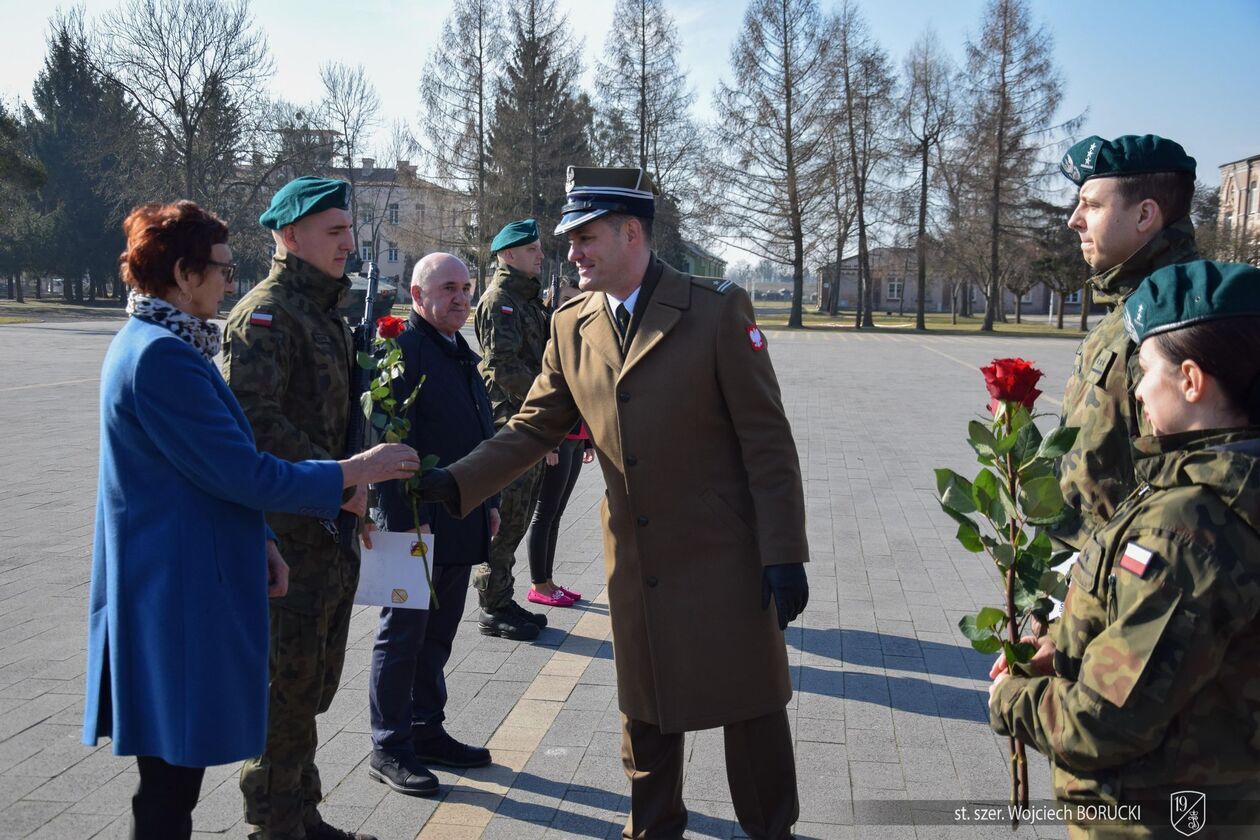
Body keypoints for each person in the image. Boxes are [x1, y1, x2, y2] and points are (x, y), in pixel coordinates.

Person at [418, 167, 810, 840]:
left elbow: (768, 445)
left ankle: (771, 829)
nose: (571, 254)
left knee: (750, 715)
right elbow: (534, 427)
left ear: (633, 233)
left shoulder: (714, 310)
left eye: (585, 238)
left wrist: (784, 554)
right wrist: (455, 483)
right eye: (568, 241)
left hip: (726, 557)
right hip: (637, 558)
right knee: (646, 713)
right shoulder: (572, 323)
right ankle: (652, 830)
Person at [82, 200, 419, 840]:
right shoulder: (161, 357)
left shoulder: (163, 343)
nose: (229, 283)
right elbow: (244, 471)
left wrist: (263, 536)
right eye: (220, 269)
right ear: (183, 273)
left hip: (181, 577)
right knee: (169, 784)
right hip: (174, 591)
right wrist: (352, 472)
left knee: (173, 776)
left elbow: (207, 469)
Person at [989, 260, 1260, 839]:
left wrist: (1011, 697)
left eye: (1146, 371)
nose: (1135, 390)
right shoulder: (1228, 479)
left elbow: (1102, 722)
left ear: (1191, 380)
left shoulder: (1186, 531)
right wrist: (1062, 646)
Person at [222, 176, 378, 840]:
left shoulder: (322, 311)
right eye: (334, 231)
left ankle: (302, 811)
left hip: (327, 531)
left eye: (349, 230)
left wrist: (354, 487)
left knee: (311, 684)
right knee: (285, 690)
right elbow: (254, 425)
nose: (349, 243)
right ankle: (274, 823)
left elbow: (339, 417)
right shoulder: (267, 314)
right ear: (290, 237)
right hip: (287, 536)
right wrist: (343, 479)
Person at [366, 253, 499, 796]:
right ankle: (389, 744)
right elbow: (384, 439)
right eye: (448, 288)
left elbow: (478, 430)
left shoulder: (457, 348)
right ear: (418, 297)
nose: (462, 297)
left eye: (467, 287)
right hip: (410, 519)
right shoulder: (400, 348)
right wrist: (399, 522)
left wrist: (489, 498)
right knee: (402, 635)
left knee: (437, 635)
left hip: (458, 515)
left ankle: (426, 729)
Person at [1051, 135, 1199, 552]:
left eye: (1092, 205)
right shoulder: (1130, 307)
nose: (1074, 220)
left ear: (1145, 215)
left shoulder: (1174, 320)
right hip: (1087, 575)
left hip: (1125, 591)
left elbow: (1179, 497)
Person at [472, 218, 551, 640]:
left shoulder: (526, 299)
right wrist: (545, 403)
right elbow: (502, 366)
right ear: (507, 255)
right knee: (507, 518)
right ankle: (491, 605)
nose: (540, 254)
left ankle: (502, 597)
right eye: (531, 249)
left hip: (529, 423)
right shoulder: (500, 299)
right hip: (512, 424)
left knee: (519, 517)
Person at [526, 278, 594, 607]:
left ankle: (549, 580)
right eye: (565, 299)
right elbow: (546, 397)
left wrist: (590, 440)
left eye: (577, 300)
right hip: (559, 438)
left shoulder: (582, 336)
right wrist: (549, 443)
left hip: (577, 437)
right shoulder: (550, 339)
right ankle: (539, 584)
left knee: (558, 513)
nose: (571, 305)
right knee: (545, 511)